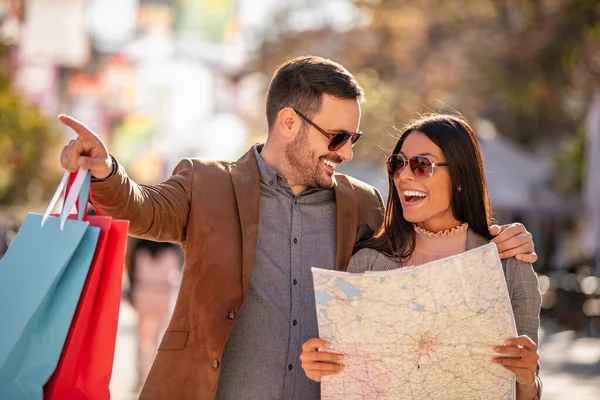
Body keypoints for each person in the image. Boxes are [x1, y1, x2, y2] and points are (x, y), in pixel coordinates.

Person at [59, 56, 537, 400]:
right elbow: (144, 209)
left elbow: (427, 242)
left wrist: (498, 239)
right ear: (288, 122)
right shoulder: (206, 183)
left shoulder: (363, 204)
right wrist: (105, 172)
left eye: (355, 139)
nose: (347, 152)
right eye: (337, 137)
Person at [299, 114, 542, 400]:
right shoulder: (367, 265)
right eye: (398, 163)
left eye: (421, 165)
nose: (404, 175)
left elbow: (526, 389)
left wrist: (527, 379)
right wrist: (320, 367)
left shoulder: (509, 265)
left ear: (460, 176)